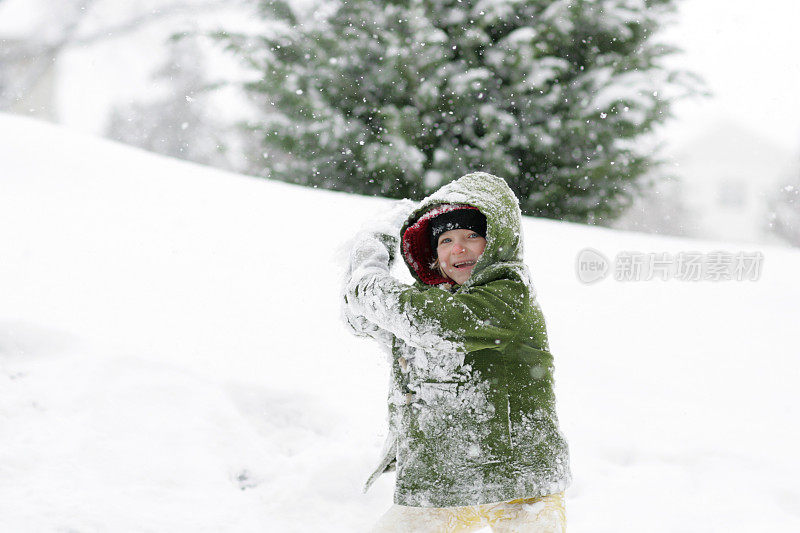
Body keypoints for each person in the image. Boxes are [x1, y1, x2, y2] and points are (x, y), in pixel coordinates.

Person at [341, 172, 571, 532]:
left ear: (497, 240)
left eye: (471, 236)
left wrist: (367, 281)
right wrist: (369, 254)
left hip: (516, 483)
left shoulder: (507, 293)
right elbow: (362, 319)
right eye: (445, 239)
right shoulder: (433, 300)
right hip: (439, 478)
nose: (457, 248)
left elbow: (425, 321)